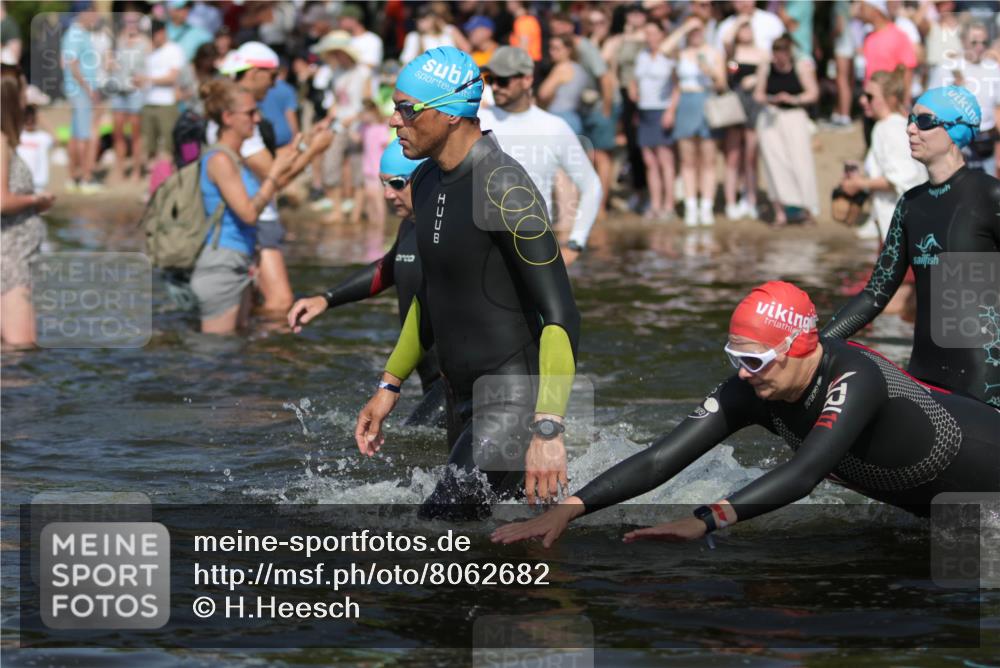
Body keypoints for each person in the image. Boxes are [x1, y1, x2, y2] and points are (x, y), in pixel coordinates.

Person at [492, 281, 1000, 548]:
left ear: (799, 347)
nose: (743, 374)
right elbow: (659, 459)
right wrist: (570, 509)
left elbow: (803, 475)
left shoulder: (856, 377)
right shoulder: (753, 387)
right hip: (943, 512)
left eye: (753, 360)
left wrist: (707, 520)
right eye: (734, 358)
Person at [354, 47, 581, 519]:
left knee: (433, 529)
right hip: (460, 400)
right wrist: (389, 384)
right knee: (486, 552)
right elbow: (430, 294)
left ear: (452, 114)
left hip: (511, 401)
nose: (395, 121)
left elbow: (561, 315)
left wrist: (547, 430)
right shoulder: (427, 179)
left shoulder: (505, 188)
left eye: (406, 109)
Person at [823, 86, 1000, 407]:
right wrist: (818, 345)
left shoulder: (989, 196)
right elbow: (876, 293)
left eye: (924, 121)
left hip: (985, 380)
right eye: (910, 119)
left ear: (954, 130)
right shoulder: (910, 204)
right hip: (924, 376)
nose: (910, 129)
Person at [288, 138, 446, 428]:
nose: (387, 195)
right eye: (382, 184)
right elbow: (388, 268)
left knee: (413, 445)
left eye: (397, 183)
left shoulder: (451, 232)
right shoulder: (411, 225)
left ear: (426, 179)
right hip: (431, 380)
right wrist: (327, 298)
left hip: (460, 382)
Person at [213, 42, 332, 316]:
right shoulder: (240, 115)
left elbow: (273, 163)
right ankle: (262, 357)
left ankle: (245, 353)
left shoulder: (232, 108)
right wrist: (314, 149)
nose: (276, 83)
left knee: (248, 305)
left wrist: (308, 141)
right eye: (272, 75)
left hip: (245, 216)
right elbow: (274, 174)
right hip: (253, 217)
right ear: (254, 73)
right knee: (279, 304)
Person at [190, 79, 298, 334]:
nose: (258, 118)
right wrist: (273, 178)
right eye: (250, 113)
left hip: (238, 262)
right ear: (228, 117)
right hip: (221, 266)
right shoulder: (220, 160)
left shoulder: (234, 158)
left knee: (236, 355)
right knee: (216, 358)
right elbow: (249, 215)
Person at [478, 46, 601, 264]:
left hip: (534, 245)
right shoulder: (477, 120)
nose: (495, 87)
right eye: (490, 79)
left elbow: (591, 186)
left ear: (526, 80)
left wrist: (575, 243)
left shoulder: (554, 127)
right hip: (481, 244)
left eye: (503, 80)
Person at [840, 66, 927, 240]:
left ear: (891, 99)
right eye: (863, 95)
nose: (863, 100)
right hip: (897, 226)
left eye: (870, 97)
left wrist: (859, 184)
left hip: (904, 230)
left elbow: (903, 178)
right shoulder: (894, 125)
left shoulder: (888, 128)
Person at [2, 65, 53, 347]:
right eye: (23, 90)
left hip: (17, 254)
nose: (26, 98)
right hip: (9, 261)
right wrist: (36, 201)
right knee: (20, 348)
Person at [665, 17, 726, 226]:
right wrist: (684, 27)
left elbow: (722, 83)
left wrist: (708, 70)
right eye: (693, 31)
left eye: (699, 30)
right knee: (687, 159)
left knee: (708, 159)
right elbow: (665, 50)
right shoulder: (680, 53)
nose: (696, 33)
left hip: (706, 101)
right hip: (686, 102)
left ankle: (706, 206)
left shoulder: (713, 52)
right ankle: (691, 205)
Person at [754, 34, 820, 226]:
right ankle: (780, 212)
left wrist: (793, 99)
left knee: (801, 163)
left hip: (795, 117)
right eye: (776, 53)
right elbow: (758, 94)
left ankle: (807, 209)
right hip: (771, 118)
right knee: (774, 165)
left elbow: (813, 93)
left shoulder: (801, 66)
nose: (779, 58)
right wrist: (770, 99)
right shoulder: (765, 67)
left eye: (782, 53)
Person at [927, 22, 1000, 177]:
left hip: (986, 142)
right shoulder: (947, 68)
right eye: (974, 42)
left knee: (987, 194)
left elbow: (997, 108)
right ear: (963, 41)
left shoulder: (993, 68)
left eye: (984, 42)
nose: (980, 47)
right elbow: (930, 105)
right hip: (957, 143)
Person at [311, 31, 369, 222]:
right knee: (331, 165)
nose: (335, 57)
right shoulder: (336, 73)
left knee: (357, 169)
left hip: (357, 127)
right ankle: (337, 209)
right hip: (340, 126)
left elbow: (367, 102)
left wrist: (352, 120)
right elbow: (337, 102)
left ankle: (355, 213)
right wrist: (328, 119)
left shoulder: (362, 73)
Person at [630, 21, 676, 221]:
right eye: (646, 33)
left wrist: (670, 111)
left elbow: (677, 85)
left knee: (665, 159)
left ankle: (669, 204)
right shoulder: (642, 56)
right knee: (650, 161)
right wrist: (634, 92)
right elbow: (635, 79)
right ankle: (655, 203)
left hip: (661, 109)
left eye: (653, 33)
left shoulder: (669, 57)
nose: (650, 37)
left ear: (661, 35)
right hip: (645, 110)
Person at [721, 18, 767, 221]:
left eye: (749, 27)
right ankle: (731, 201)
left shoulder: (762, 53)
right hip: (734, 104)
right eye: (742, 29)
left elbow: (767, 74)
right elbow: (726, 40)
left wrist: (756, 79)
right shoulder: (732, 52)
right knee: (732, 156)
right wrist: (740, 19)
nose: (745, 31)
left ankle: (751, 199)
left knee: (751, 156)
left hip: (753, 105)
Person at [137, 20, 185, 186]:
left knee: (168, 146)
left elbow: (172, 77)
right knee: (149, 146)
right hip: (148, 102)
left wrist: (148, 79)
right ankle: (152, 184)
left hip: (166, 104)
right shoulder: (148, 52)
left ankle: (167, 183)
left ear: (162, 32)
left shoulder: (174, 50)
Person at [61, 6, 102, 193]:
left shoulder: (79, 33)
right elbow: (72, 64)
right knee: (84, 136)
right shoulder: (75, 34)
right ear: (84, 12)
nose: (97, 16)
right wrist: (88, 88)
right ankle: (85, 178)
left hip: (78, 90)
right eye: (94, 12)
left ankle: (73, 178)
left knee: (76, 134)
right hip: (80, 91)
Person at [108, 10, 149, 183]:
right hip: (119, 91)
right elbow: (108, 62)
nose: (130, 24)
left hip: (135, 93)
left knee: (135, 134)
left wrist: (144, 80)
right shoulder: (118, 40)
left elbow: (149, 67)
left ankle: (136, 170)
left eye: (134, 21)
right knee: (117, 133)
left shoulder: (146, 43)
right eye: (127, 21)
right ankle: (120, 168)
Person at [537, 35, 589, 135]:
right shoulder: (578, 68)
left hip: (559, 118)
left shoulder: (561, 68)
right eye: (550, 48)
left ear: (568, 50)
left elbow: (543, 93)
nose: (551, 52)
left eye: (556, 49)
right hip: (575, 118)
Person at [400, 3, 470, 65]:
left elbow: (467, 49)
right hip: (429, 75)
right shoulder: (414, 37)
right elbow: (407, 62)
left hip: (454, 70)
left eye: (425, 18)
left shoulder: (449, 30)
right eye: (418, 18)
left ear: (434, 18)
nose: (420, 22)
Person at [357, 100, 390, 225]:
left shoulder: (381, 128)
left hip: (378, 169)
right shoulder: (365, 128)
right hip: (367, 168)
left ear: (372, 112)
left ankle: (381, 224)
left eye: (364, 113)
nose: (362, 115)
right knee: (370, 196)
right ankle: (372, 224)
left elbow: (385, 144)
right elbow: (356, 139)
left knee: (378, 198)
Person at [16, 105, 53, 192]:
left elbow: (57, 139)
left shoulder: (44, 137)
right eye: (26, 119)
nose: (29, 122)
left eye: (32, 119)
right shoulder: (17, 136)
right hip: (20, 183)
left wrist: (40, 118)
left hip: (38, 183)